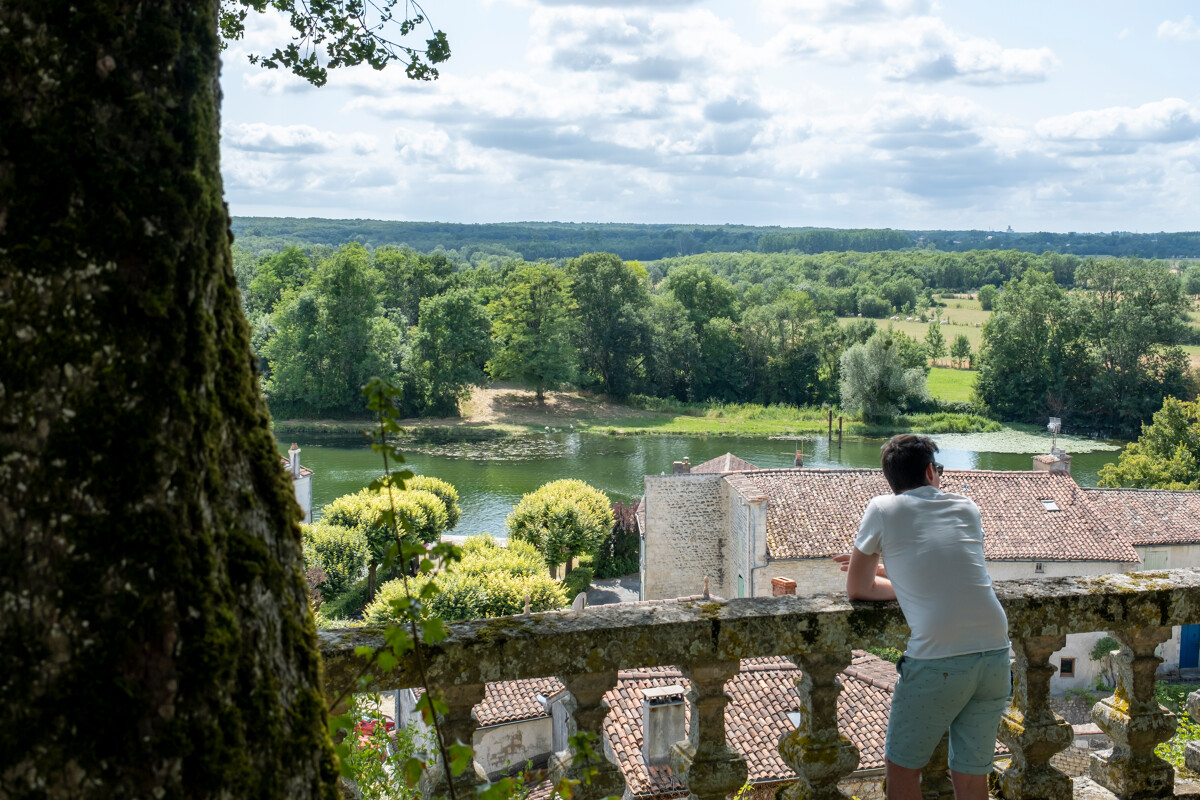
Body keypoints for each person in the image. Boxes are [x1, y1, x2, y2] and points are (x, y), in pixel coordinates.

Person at [833, 434, 1009, 800]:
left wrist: (890, 574)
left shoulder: (882, 508)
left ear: (891, 479)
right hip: (994, 651)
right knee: (971, 774)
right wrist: (903, 578)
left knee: (902, 770)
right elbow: (944, 568)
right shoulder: (966, 507)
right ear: (931, 471)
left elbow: (858, 589)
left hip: (939, 657)